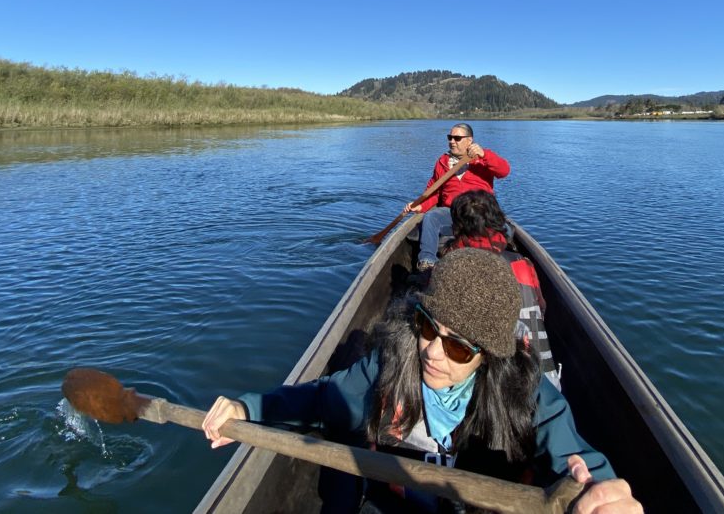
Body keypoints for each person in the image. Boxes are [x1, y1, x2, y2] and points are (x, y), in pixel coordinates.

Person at [202, 248, 641, 514]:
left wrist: (600, 495)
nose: (431, 351)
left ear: (489, 357)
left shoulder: (530, 397)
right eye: (427, 326)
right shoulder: (388, 366)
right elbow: (320, 400)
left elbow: (578, 465)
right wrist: (247, 409)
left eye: (457, 347)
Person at [444, 190, 560, 389]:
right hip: (543, 382)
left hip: (490, 385)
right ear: (498, 222)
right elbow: (541, 308)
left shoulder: (452, 266)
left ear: (457, 227)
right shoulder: (523, 264)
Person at [406, 124, 510, 271]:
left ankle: (494, 258)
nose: (452, 141)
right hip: (452, 212)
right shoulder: (442, 162)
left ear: (469, 140)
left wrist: (485, 155)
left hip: (480, 212)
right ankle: (427, 261)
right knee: (430, 217)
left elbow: (504, 171)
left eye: (457, 138)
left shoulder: (483, 159)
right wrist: (420, 206)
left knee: (505, 228)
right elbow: (434, 192)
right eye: (450, 137)